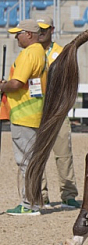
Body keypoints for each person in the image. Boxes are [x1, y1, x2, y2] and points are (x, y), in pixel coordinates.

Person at [1, 19, 48, 215]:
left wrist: (2, 86)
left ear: (29, 34)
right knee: (33, 160)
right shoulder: (40, 52)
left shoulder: (29, 53)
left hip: (23, 114)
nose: (16, 37)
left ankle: (29, 204)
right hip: (35, 113)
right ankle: (35, 201)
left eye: (18, 33)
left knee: (25, 161)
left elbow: (17, 83)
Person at [34, 16, 80, 210]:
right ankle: (40, 195)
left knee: (64, 155)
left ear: (52, 29)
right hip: (36, 111)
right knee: (37, 156)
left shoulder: (61, 53)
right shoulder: (31, 53)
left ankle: (68, 195)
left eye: (44, 29)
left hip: (57, 110)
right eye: (38, 29)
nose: (41, 32)